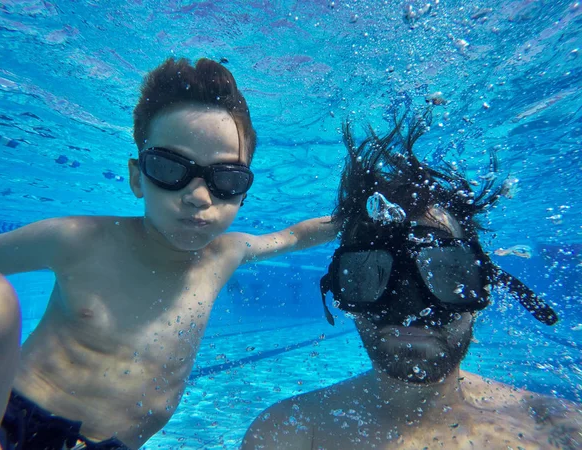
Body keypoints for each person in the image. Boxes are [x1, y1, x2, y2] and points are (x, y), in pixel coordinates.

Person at [0, 57, 337, 450]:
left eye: (226, 179)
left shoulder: (225, 253)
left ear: (243, 193)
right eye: (170, 169)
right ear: (137, 178)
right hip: (14, 427)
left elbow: (293, 236)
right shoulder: (77, 240)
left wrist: (358, 215)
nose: (199, 198)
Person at [241, 111, 581, 449]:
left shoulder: (562, 428)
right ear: (344, 295)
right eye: (371, 276)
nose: (410, 306)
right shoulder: (290, 433)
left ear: (484, 288)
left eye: (447, 274)